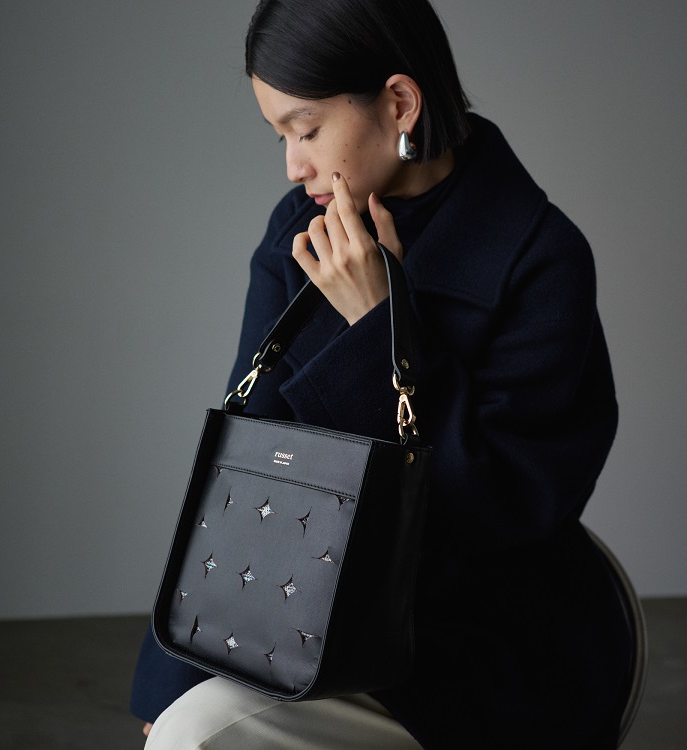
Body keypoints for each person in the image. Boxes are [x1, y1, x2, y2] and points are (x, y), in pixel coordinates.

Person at [131, 0, 632, 747]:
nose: (293, 165)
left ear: (399, 102)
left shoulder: (540, 257)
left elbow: (500, 509)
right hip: (304, 620)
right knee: (182, 723)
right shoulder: (299, 233)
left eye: (306, 130)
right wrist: (173, 671)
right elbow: (245, 466)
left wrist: (378, 328)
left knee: (198, 732)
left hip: (485, 647)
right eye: (280, 135)